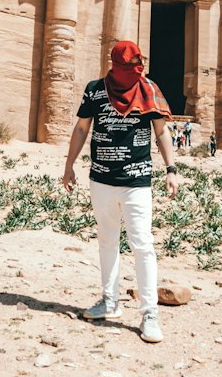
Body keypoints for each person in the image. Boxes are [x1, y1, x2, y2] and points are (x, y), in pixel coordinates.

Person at [63, 40, 179, 344]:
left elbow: (161, 131)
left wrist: (172, 169)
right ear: (114, 66)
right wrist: (69, 165)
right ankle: (109, 302)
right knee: (107, 241)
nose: (133, 72)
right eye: (127, 67)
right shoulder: (95, 89)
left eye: (135, 67)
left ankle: (149, 313)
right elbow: (81, 128)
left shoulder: (148, 89)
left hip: (137, 181)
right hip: (101, 178)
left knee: (142, 245)